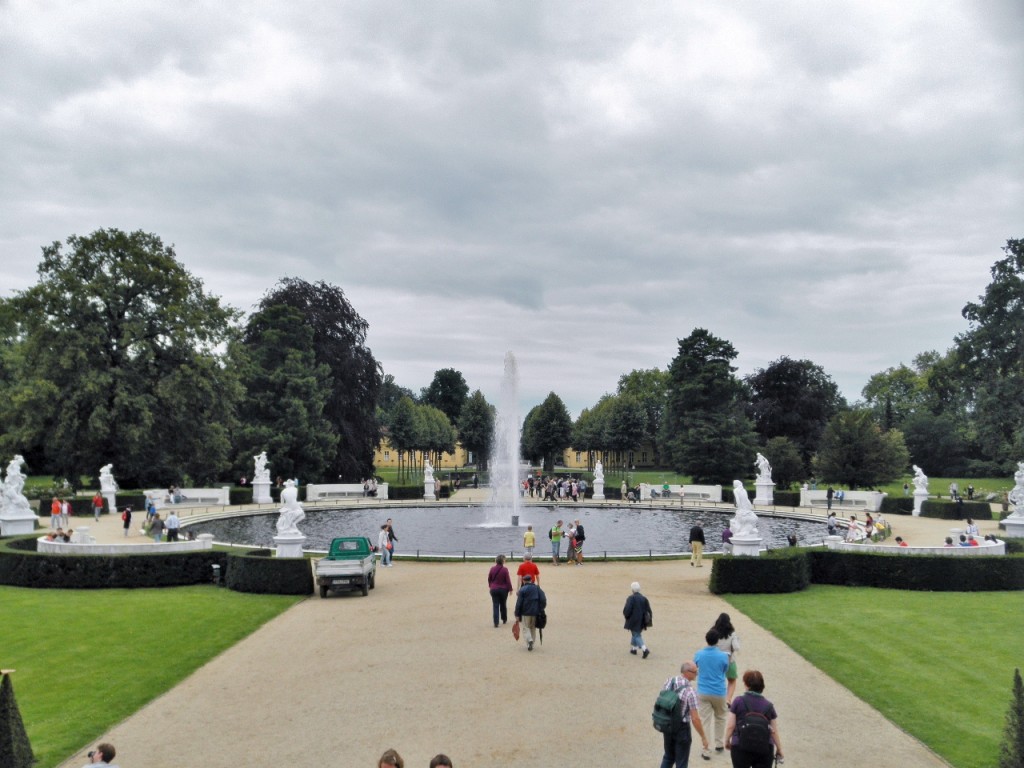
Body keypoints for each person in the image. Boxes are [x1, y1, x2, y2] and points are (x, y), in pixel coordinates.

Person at [723, 669, 783, 767]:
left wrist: (727, 740)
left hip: (740, 745)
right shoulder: (769, 706)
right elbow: (774, 731)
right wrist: (779, 749)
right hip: (764, 747)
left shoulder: (738, 701)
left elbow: (730, 726)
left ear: (747, 685)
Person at [659, 661, 710, 768]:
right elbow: (695, 718)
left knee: (668, 757)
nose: (697, 674)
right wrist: (703, 737)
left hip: (667, 724)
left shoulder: (669, 681)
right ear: (687, 672)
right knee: (681, 762)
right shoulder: (690, 691)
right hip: (682, 729)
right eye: (695, 672)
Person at [694, 628, 730, 756]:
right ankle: (719, 744)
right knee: (720, 717)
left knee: (705, 720)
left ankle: (706, 748)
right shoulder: (723, 656)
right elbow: (725, 670)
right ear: (717, 641)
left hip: (703, 691)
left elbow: (695, 667)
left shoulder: (699, 654)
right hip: (719, 691)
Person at [514, 573, 546, 651]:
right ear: (531, 580)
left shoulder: (522, 589)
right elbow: (543, 599)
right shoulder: (537, 588)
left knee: (525, 627)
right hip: (536, 612)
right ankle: (532, 643)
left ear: (523, 581)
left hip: (525, 612)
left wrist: (517, 613)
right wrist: (541, 609)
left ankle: (529, 640)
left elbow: (519, 603)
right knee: (533, 627)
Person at [714, 613, 741, 704]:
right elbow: (737, 647)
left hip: (716, 661)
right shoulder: (732, 634)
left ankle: (717, 698)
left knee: (716, 680)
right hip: (729, 661)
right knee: (732, 680)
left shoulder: (714, 632)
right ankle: (728, 699)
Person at [622, 581, 652, 658]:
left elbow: (627, 610)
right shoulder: (644, 598)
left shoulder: (631, 598)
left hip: (633, 620)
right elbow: (648, 610)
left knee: (636, 635)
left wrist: (626, 615)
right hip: (642, 620)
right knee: (635, 633)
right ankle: (634, 649)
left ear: (632, 590)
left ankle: (645, 649)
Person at [487, 554, 513, 627]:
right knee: (503, 604)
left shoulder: (492, 569)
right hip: (503, 590)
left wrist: (490, 586)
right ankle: (504, 618)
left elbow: (489, 578)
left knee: (495, 605)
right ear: (503, 561)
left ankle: (496, 622)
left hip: (494, 589)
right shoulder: (505, 569)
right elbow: (508, 580)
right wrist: (510, 589)